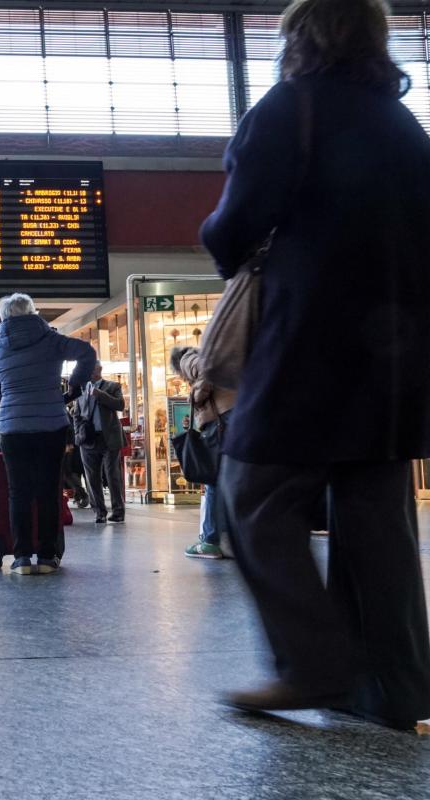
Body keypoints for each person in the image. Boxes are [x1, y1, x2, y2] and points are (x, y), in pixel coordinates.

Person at [201, 0, 430, 728]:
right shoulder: (404, 126)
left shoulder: (291, 107)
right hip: (399, 354)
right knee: (377, 518)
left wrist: (226, 240)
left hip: (311, 341)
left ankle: (315, 667)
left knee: (254, 495)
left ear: (301, 38)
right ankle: (398, 688)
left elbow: (236, 225)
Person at [0, 293, 95, 575]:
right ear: (33, 312)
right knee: (49, 490)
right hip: (51, 424)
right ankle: (48, 556)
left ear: (4, 317)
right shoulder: (51, 340)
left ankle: (22, 558)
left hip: (13, 428)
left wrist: (13, 400)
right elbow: (87, 353)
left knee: (19, 493)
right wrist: (72, 388)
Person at [171, 346, 236, 560]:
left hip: (222, 422)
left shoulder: (188, 359)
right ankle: (230, 538)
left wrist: (196, 396)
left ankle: (210, 541)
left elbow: (206, 371)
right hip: (235, 416)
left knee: (213, 478)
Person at [75, 361, 126, 524]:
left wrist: (99, 394)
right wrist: (77, 433)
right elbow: (76, 414)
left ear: (99, 369)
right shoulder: (81, 390)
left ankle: (118, 511)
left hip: (109, 438)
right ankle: (99, 512)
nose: (90, 372)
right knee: (91, 477)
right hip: (88, 440)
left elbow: (120, 405)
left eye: (92, 369)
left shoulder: (112, 386)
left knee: (112, 475)